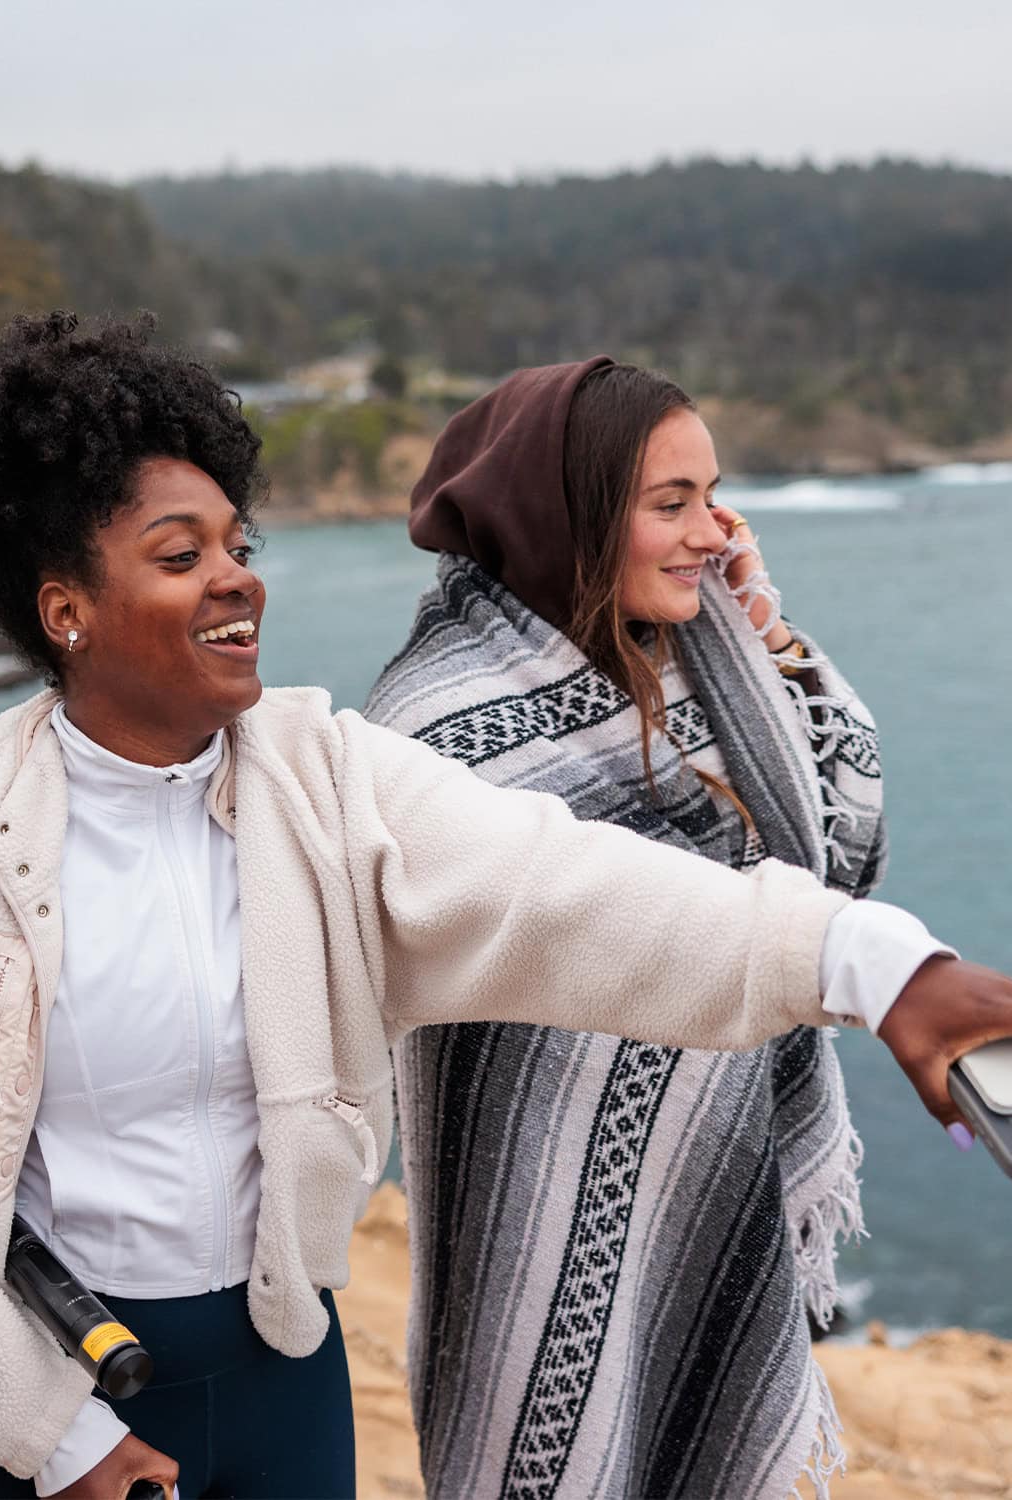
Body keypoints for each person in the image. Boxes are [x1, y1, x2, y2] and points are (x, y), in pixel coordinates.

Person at [0, 312, 1012, 1500]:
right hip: (49, 1402)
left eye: (238, 545)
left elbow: (568, 890)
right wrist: (48, 1437)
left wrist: (881, 967)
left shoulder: (328, 777)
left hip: (282, 1380)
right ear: (67, 609)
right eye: (180, 555)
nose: (237, 577)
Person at [366, 358, 916, 1497]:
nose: (714, 532)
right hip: (538, 1224)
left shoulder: (696, 670)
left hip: (708, 1184)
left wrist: (767, 640)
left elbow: (842, 861)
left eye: (714, 497)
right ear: (566, 514)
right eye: (671, 504)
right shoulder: (436, 733)